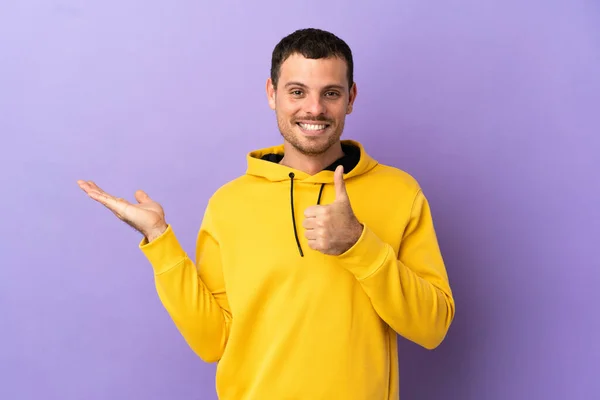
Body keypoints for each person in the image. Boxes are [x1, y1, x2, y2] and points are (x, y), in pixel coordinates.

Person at [78, 28, 455, 400]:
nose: (314, 109)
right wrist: (159, 238)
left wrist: (359, 244)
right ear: (272, 94)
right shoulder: (229, 204)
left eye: (331, 93)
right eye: (297, 92)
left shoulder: (399, 192)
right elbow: (213, 341)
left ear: (351, 98)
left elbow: (432, 327)